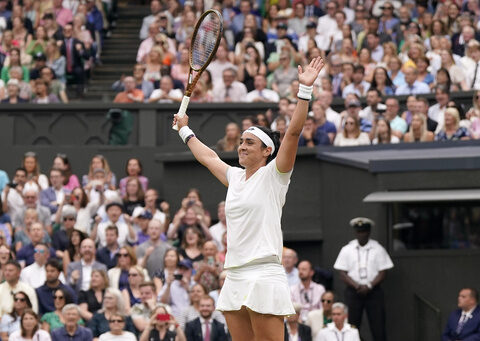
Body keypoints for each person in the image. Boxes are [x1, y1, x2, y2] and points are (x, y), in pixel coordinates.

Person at [172, 56, 324, 340]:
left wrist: (304, 92)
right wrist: (184, 129)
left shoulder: (275, 175)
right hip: (235, 274)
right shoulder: (235, 177)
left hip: (265, 273)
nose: (241, 147)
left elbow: (292, 132)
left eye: (249, 143)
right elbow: (209, 157)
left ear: (267, 151)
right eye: (241, 141)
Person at [333, 217, 394, 341]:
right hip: (353, 291)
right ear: (355, 232)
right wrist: (357, 286)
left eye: (364, 231)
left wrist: (369, 286)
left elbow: (383, 272)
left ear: (369, 232)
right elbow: (342, 273)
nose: (362, 234)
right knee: (352, 325)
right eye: (359, 232)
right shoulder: (347, 249)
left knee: (378, 325)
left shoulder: (378, 249)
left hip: (373, 291)